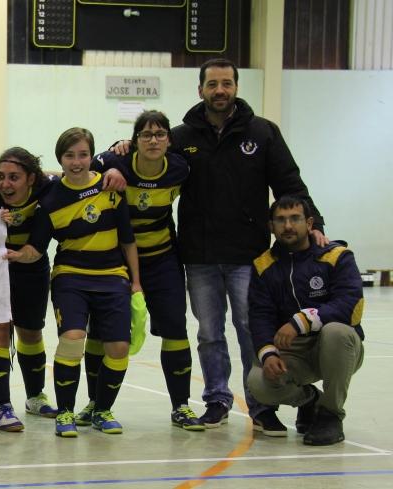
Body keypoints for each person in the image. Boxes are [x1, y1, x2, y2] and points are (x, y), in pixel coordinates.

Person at [171, 58, 327, 433]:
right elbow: (146, 164)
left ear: (236, 88)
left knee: (250, 330)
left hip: (249, 256)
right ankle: (217, 400)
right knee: (209, 334)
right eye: (212, 84)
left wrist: (315, 224)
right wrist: (118, 149)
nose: (220, 90)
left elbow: (289, 182)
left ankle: (261, 405)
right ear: (200, 90)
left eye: (226, 83)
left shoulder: (263, 132)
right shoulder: (181, 137)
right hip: (200, 257)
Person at [80, 111, 204, 431]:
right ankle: (95, 403)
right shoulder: (116, 162)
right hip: (117, 262)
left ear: (169, 140)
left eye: (160, 134)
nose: (153, 140)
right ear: (134, 141)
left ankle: (181, 407)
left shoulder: (180, 168)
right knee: (101, 332)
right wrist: (109, 162)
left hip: (163, 260)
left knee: (175, 329)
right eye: (146, 135)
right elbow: (87, 165)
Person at [15, 128, 141, 438]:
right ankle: (65, 412)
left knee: (118, 346)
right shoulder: (50, 199)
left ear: (91, 156)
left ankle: (102, 410)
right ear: (60, 159)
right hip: (70, 277)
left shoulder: (111, 188)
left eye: (83, 155)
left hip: (113, 276)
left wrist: (136, 283)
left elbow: (128, 241)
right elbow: (36, 248)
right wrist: (14, 255)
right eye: (70, 155)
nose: (76, 161)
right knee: (72, 338)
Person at [246, 196, 364, 445]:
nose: (288, 226)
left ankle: (331, 415)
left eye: (295, 218)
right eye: (281, 220)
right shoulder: (263, 266)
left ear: (309, 223)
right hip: (295, 352)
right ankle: (310, 401)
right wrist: (268, 354)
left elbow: (349, 305)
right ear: (271, 227)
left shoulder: (337, 256)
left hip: (339, 348)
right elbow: (260, 315)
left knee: (336, 332)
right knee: (258, 383)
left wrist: (302, 321)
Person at [0, 147, 57, 432]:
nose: (5, 184)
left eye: (14, 177)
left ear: (31, 179)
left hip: (30, 266)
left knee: (31, 332)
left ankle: (35, 396)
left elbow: (35, 250)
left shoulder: (47, 191)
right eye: (0, 176)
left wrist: (19, 255)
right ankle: (2, 407)